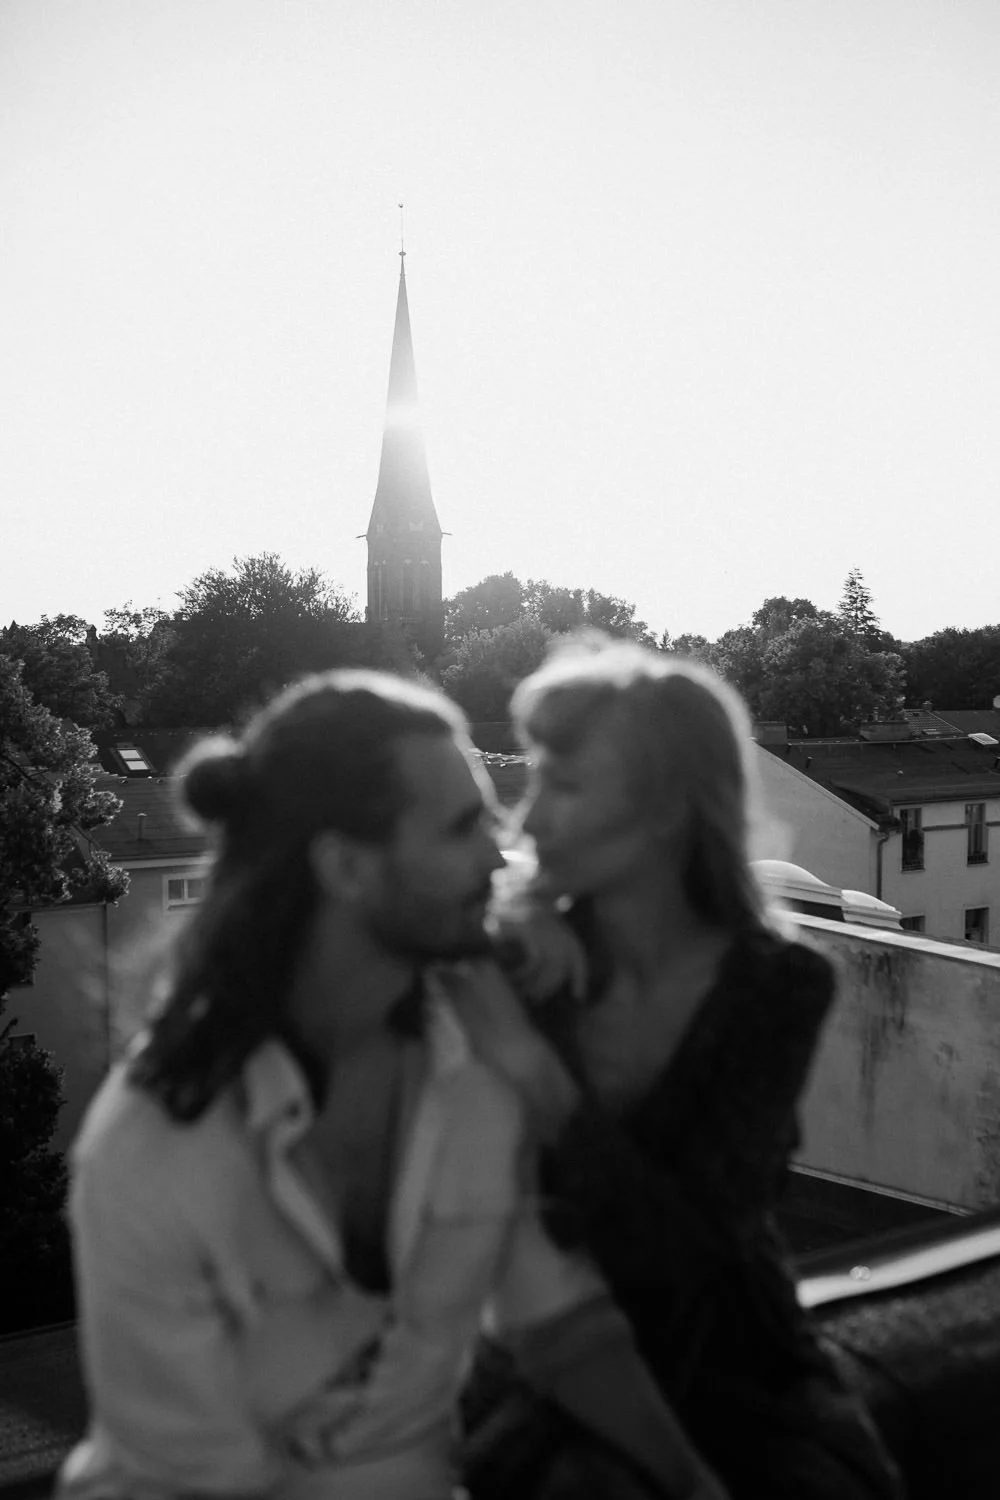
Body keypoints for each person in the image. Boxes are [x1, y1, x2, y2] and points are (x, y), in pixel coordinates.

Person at [57, 667, 727, 1500]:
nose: (499, 854)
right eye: (460, 829)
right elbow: (199, 1486)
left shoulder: (481, 1050)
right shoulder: (155, 1148)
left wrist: (695, 1486)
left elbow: (560, 1325)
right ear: (346, 866)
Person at [455, 637, 903, 1500]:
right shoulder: (513, 964)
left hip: (738, 1357)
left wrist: (535, 1076)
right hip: (544, 1351)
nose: (531, 820)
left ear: (666, 808)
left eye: (567, 786)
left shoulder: (775, 985)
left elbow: (694, 1245)